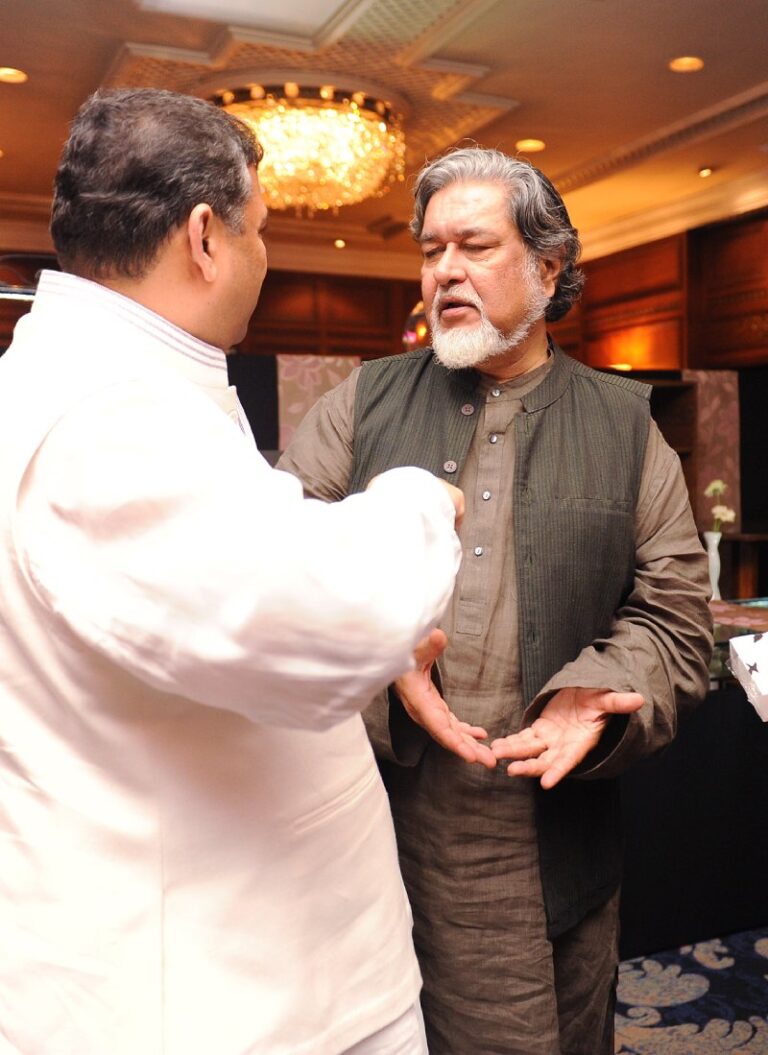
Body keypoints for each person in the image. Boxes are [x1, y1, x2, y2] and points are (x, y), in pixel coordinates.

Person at [0, 88, 467, 1055]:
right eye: (261, 231)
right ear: (205, 237)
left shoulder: (122, 383)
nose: (266, 257)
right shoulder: (101, 415)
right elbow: (334, 610)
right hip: (215, 987)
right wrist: (425, 501)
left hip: (245, 957)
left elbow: (209, 582)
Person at [278, 147, 714, 1055]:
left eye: (473, 246)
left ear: (548, 267)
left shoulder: (624, 426)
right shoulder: (363, 402)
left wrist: (601, 689)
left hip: (566, 819)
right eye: (431, 251)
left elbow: (677, 617)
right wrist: (383, 654)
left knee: (572, 1027)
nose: (444, 272)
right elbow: (278, 561)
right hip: (396, 814)